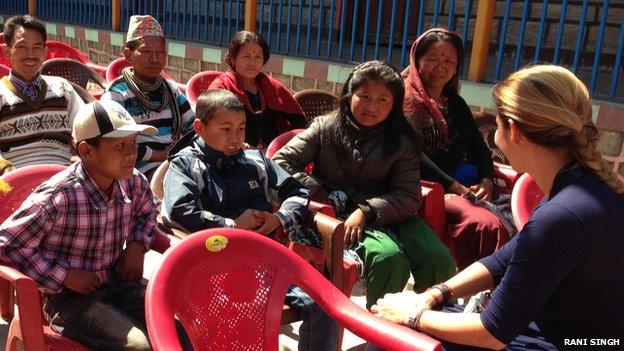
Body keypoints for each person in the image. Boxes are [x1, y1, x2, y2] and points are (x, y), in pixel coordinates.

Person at [372, 65, 624, 350]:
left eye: (497, 123)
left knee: (386, 339)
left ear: (513, 130)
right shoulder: (585, 187)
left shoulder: (562, 215)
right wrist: (436, 293)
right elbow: (504, 259)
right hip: (572, 334)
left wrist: (412, 315)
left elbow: (492, 333)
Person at [161, 89, 338, 351]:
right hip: (211, 267)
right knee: (245, 316)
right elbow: (180, 210)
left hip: (263, 264)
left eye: (241, 129)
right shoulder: (186, 165)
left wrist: (279, 218)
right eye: (225, 129)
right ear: (200, 128)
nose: (235, 139)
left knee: (324, 303)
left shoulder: (255, 162)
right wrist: (232, 226)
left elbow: (297, 193)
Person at [273, 60, 456, 309]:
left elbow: (409, 195)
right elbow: (280, 162)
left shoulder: (402, 140)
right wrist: (321, 191)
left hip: (389, 212)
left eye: (383, 100)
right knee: (388, 258)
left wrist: (366, 210)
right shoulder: (325, 127)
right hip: (336, 213)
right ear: (350, 95)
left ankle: (422, 322)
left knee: (438, 258)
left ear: (393, 106)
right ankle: (377, 327)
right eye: (365, 96)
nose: (372, 106)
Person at [0, 100, 159, 350]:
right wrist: (64, 276)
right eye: (120, 145)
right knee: (138, 346)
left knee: (176, 328)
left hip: (117, 284)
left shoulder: (133, 182)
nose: (131, 153)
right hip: (69, 300)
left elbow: (148, 212)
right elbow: (7, 245)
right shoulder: (59, 196)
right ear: (87, 151)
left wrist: (137, 245)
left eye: (133, 144)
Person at [402, 28, 509, 269]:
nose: (441, 67)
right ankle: (475, 287)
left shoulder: (455, 104)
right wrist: (455, 186)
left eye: (449, 61)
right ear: (417, 60)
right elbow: (410, 154)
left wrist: (486, 181)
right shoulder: (405, 102)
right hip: (434, 189)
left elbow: (478, 146)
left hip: (472, 188)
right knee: (486, 225)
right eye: (432, 59)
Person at [101, 15, 194, 180]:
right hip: (136, 173)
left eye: (160, 53)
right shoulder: (117, 94)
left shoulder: (170, 90)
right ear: (129, 55)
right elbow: (113, 141)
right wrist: (158, 155)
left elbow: (194, 128)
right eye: (146, 51)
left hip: (175, 164)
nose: (155, 59)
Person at [0, 15, 84, 169]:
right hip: (16, 182)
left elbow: (85, 127)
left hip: (62, 179)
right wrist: (4, 167)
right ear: (7, 51)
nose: (30, 55)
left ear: (44, 52)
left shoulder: (62, 88)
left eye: (36, 47)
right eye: (21, 47)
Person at [208, 31, 307, 151]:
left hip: (274, 154)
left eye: (258, 57)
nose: (252, 63)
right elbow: (211, 126)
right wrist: (240, 146)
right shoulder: (222, 87)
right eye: (246, 56)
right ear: (233, 59)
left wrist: (285, 148)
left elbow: (299, 121)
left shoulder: (271, 86)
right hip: (234, 153)